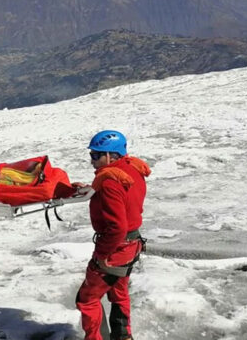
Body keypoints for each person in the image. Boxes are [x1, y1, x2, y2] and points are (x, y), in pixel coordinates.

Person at [75, 130, 151, 340]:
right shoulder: (131, 169)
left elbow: (116, 226)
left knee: (87, 299)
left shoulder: (110, 182)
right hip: (132, 245)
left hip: (116, 249)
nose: (92, 161)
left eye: (96, 155)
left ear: (111, 155)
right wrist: (92, 189)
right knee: (118, 293)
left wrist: (101, 255)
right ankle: (123, 336)